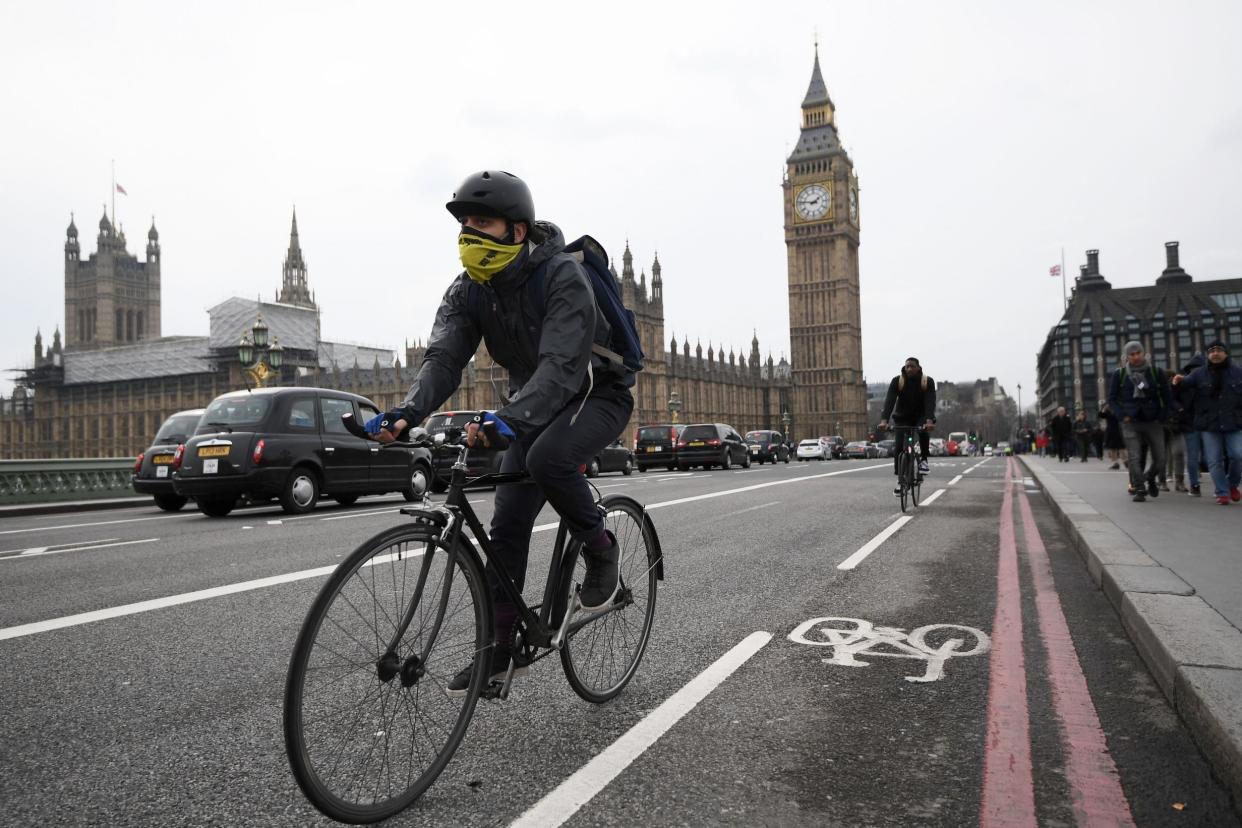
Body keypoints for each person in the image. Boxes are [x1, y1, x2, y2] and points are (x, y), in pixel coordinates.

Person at [366, 170, 636, 693]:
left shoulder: (562, 278)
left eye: (481, 223)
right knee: (507, 522)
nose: (468, 234)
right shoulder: (471, 289)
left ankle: (601, 548)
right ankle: (498, 647)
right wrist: (407, 412)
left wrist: (507, 421)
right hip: (530, 405)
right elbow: (444, 358)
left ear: (516, 230)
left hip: (594, 394)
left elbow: (560, 366)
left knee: (547, 461)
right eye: (464, 224)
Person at [1172, 340, 1242, 505]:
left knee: (1237, 456)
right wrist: (1177, 381)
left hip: (1234, 422)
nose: (1215, 353)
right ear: (1208, 355)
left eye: (1219, 350)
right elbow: (1181, 387)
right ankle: (1222, 492)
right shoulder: (1199, 374)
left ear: (1225, 353)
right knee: (1214, 460)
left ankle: (1232, 485)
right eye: (1211, 351)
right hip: (1209, 424)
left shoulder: (1238, 372)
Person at [1107, 340, 1169, 502]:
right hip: (1130, 421)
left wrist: (1162, 416)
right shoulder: (1119, 374)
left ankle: (1149, 478)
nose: (1135, 357)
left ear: (1143, 353)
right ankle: (1140, 488)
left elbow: (1167, 397)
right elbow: (1112, 399)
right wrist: (1122, 415)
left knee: (1161, 459)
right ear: (1126, 357)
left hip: (1153, 421)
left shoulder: (1156, 372)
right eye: (1131, 354)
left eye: (1138, 353)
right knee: (1134, 457)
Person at [879, 357, 937, 492]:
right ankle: (900, 480)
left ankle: (923, 460)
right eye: (907, 367)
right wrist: (884, 421)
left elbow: (930, 401)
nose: (909, 369)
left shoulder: (927, 381)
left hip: (921, 415)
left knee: (923, 431)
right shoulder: (897, 381)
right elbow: (889, 401)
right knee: (899, 447)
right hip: (902, 417)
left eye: (912, 366)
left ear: (918, 368)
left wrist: (929, 421)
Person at [1176, 353, 1206, 496]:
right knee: (1209, 456)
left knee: (1194, 456)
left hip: (1196, 423)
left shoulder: (1183, 381)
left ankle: (1195, 486)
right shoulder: (1207, 379)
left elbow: (1172, 397)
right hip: (1197, 423)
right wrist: (1180, 409)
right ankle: (1195, 484)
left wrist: (1180, 409)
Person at [1098, 402, 1125, 470]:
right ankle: (1115, 463)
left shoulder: (1119, 409)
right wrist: (1104, 409)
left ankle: (1125, 461)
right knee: (1113, 448)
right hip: (1111, 432)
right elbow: (1100, 415)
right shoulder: (1107, 412)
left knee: (1121, 447)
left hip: (1119, 431)